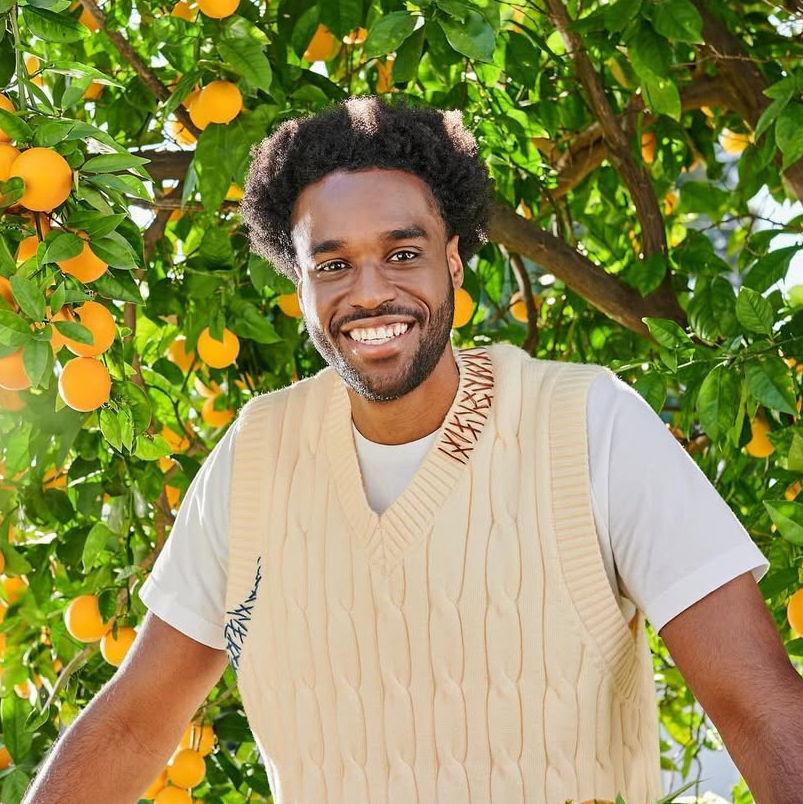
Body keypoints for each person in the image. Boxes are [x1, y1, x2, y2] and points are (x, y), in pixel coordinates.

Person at [25, 96, 801, 804]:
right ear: (298, 286)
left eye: (402, 253)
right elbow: (134, 725)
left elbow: (755, 702)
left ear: (453, 261)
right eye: (332, 264)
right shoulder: (256, 453)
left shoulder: (586, 422)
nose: (368, 292)